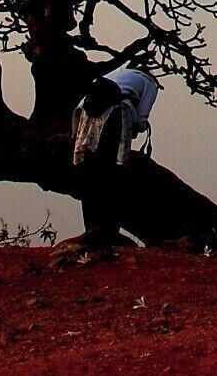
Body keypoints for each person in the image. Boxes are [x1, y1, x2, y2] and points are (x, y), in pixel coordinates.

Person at [69, 67, 161, 249]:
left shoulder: (115, 74)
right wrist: (137, 128)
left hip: (89, 110)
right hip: (119, 111)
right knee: (114, 173)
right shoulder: (150, 83)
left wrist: (76, 137)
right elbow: (142, 118)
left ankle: (91, 229)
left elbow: (79, 107)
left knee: (89, 172)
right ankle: (108, 230)